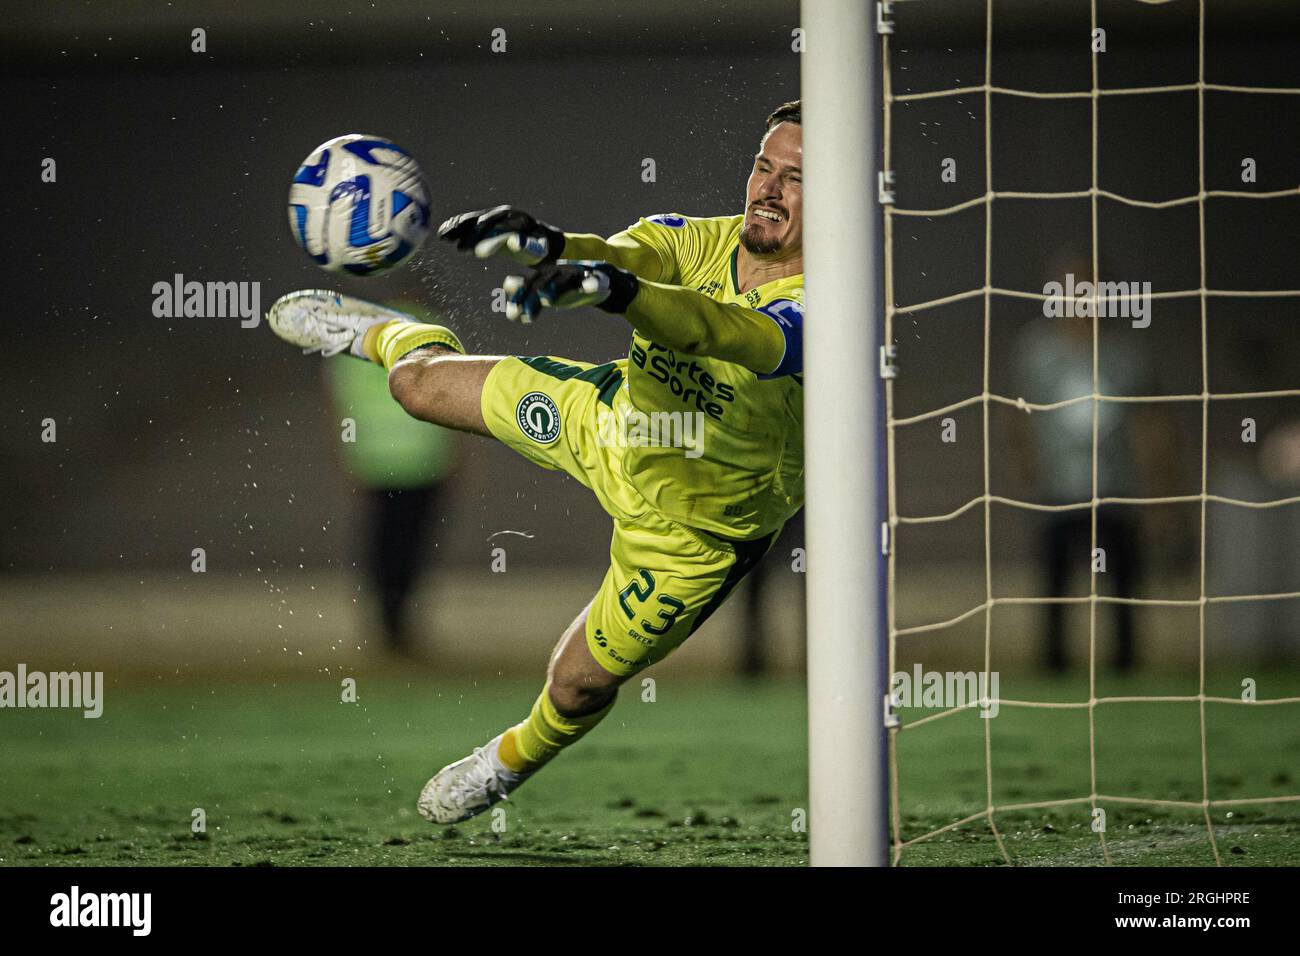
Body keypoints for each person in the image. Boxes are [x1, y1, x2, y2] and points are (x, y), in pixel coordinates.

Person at [267, 100, 805, 824]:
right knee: (416, 386)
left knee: (576, 685)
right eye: (763, 166)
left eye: (795, 177)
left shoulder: (833, 306)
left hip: (694, 532)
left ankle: (507, 761)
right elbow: (621, 256)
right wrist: (550, 244)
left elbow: (722, 328)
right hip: (609, 422)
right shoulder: (691, 238)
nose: (767, 189)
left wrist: (620, 293)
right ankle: (393, 332)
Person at [324, 297, 458, 657]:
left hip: (377, 460)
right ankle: (397, 627)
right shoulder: (434, 330)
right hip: (422, 459)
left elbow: (341, 400)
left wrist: (346, 454)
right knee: (409, 546)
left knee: (383, 546)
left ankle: (388, 626)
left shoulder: (355, 334)